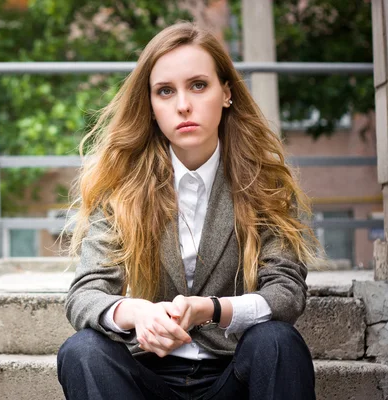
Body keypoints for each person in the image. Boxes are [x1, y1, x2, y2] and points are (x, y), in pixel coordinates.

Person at [56, 22, 320, 400]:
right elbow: (85, 294)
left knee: (277, 341)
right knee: (82, 351)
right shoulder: (120, 188)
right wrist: (136, 312)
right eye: (165, 91)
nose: (183, 105)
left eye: (198, 85)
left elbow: (287, 293)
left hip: (234, 374)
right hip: (146, 375)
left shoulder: (265, 183)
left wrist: (211, 309)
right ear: (150, 106)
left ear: (226, 93)